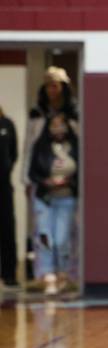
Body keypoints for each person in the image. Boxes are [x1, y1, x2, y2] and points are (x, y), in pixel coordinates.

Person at [28, 113, 79, 296]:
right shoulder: (40, 146)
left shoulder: (76, 147)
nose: (58, 129)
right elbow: (33, 173)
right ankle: (47, 275)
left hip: (66, 198)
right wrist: (46, 182)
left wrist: (69, 182)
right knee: (45, 237)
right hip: (45, 199)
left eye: (61, 125)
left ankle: (63, 273)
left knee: (61, 238)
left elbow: (82, 173)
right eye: (54, 125)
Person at [0, 105, 19, 290]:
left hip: (3, 185)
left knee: (7, 229)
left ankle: (9, 274)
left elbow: (14, 154)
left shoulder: (7, 124)